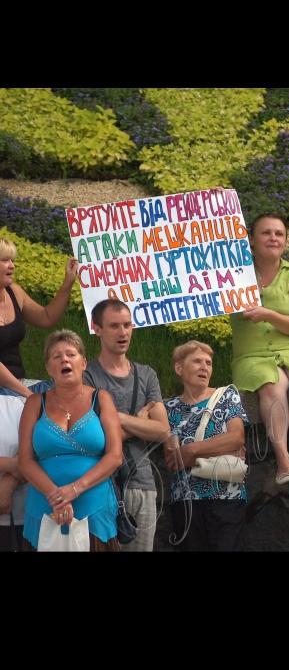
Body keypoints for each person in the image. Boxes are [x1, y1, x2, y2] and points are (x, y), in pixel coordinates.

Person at [228, 212, 289, 485]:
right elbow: (208, 248)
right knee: (273, 384)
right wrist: (216, 205)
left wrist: (267, 314)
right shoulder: (231, 273)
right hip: (251, 354)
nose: (273, 238)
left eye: (279, 234)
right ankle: (283, 459)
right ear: (251, 240)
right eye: (266, 233)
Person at [18, 330, 122, 551]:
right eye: (57, 356)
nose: (64, 359)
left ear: (83, 363)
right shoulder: (35, 403)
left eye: (71, 354)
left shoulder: (101, 398)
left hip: (94, 508)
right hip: (44, 507)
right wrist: (57, 498)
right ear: (48, 369)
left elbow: (115, 456)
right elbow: (25, 460)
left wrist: (74, 490)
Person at [83, 299, 170, 552]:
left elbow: (162, 430)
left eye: (127, 325)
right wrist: (140, 423)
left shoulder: (147, 374)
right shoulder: (87, 375)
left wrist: (116, 418)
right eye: (114, 326)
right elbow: (94, 438)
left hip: (143, 483)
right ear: (97, 328)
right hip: (101, 485)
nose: (123, 332)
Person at [164, 341, 248, 552]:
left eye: (208, 363)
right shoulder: (168, 409)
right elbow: (174, 460)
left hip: (227, 497)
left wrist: (192, 449)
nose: (204, 367)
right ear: (179, 368)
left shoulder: (227, 396)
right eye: (197, 361)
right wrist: (223, 448)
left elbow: (237, 437)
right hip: (186, 501)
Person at [0, 236, 78, 399]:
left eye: (12, 260)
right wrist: (28, 395)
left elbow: (47, 318)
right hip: (12, 390)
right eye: (5, 260)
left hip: (20, 384)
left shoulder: (14, 292)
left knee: (72, 396)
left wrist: (68, 282)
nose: (12, 266)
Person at [0, 396, 27, 551]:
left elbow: (34, 449)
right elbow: (25, 461)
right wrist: (13, 464)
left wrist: (8, 485)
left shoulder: (13, 405)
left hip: (17, 515)